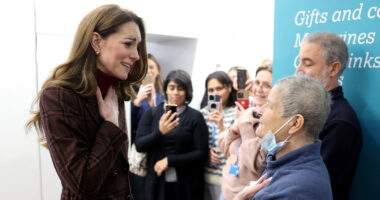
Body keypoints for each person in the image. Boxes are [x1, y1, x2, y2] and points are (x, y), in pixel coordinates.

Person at [25, 5, 147, 200]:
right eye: (128, 44)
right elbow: (82, 184)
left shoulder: (116, 92)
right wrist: (109, 124)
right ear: (96, 42)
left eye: (138, 46)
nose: (136, 55)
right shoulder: (57, 96)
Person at [234, 74, 333, 200]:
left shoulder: (295, 189)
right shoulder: (280, 161)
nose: (260, 111)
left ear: (295, 123)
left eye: (270, 106)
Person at [296, 32, 362, 200]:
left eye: (307, 63)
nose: (298, 70)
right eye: (299, 61)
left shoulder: (340, 123)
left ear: (333, 68)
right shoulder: (307, 109)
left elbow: (310, 183)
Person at [135, 69, 209, 200]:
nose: (175, 92)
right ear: (165, 89)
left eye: (180, 88)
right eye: (172, 87)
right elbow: (140, 146)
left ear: (187, 91)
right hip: (156, 184)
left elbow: (201, 153)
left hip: (186, 185)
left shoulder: (195, 117)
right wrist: (160, 132)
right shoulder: (152, 114)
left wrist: (170, 161)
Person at [130, 53, 165, 200]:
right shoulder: (132, 93)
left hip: (157, 151)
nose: (149, 71)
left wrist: (154, 108)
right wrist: (137, 102)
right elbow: (126, 123)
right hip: (136, 152)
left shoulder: (164, 97)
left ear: (157, 71)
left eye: (152, 67)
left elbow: (167, 126)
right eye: (145, 68)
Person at [199, 71, 237, 200]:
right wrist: (206, 153)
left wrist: (221, 127)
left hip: (229, 177)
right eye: (211, 90)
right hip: (205, 176)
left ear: (229, 87)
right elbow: (196, 144)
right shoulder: (203, 114)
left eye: (219, 88)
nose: (215, 93)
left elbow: (239, 146)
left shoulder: (238, 112)